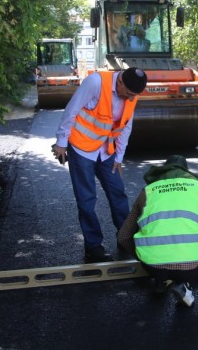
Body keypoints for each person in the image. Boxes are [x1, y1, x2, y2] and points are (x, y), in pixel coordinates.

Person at [52, 67, 148, 262]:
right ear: (119, 81)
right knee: (86, 199)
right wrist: (61, 143)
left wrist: (119, 157)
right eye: (128, 93)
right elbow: (72, 109)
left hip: (106, 152)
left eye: (134, 95)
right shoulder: (96, 82)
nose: (130, 98)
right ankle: (93, 246)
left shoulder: (132, 95)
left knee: (118, 193)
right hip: (81, 148)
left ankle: (125, 238)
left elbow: (126, 126)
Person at [117, 155, 198, 307]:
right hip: (190, 268)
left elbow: (123, 237)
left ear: (162, 172)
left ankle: (160, 282)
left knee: (155, 254)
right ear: (187, 172)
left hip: (152, 266)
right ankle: (186, 285)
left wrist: (143, 254)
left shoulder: (147, 191)